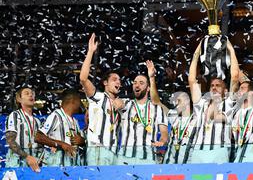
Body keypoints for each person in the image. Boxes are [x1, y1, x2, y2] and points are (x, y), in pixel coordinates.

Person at [188, 39, 240, 164]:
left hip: (220, 151)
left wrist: (231, 50)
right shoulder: (201, 104)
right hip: (198, 150)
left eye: (218, 85)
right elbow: (191, 80)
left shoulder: (228, 103)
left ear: (226, 90)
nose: (214, 87)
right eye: (212, 85)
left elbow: (235, 76)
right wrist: (197, 54)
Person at [79, 33, 122, 166]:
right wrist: (90, 52)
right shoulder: (98, 97)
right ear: (105, 83)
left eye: (120, 80)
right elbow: (83, 79)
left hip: (113, 151)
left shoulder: (120, 103)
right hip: (98, 148)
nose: (118, 82)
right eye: (114, 79)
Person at [116, 60, 169, 165]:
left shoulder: (157, 108)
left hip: (148, 158)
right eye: (135, 83)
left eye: (141, 83)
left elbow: (164, 133)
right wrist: (117, 102)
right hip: (125, 158)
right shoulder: (127, 104)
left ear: (148, 88)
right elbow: (118, 102)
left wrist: (162, 141)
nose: (137, 85)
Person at [35, 89, 85, 166]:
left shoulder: (75, 121)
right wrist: (61, 144)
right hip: (56, 166)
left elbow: (79, 142)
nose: (81, 104)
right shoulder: (56, 116)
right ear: (74, 101)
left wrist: (81, 141)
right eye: (80, 101)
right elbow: (38, 137)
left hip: (71, 167)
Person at [5, 87, 42, 172]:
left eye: (32, 93)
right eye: (27, 93)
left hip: (34, 166)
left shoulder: (37, 121)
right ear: (19, 99)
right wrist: (27, 157)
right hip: (17, 165)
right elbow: (10, 141)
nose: (31, 95)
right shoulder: (14, 116)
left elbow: (40, 145)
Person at [164, 91, 198, 164]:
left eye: (179, 101)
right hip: (168, 166)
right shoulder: (174, 116)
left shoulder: (197, 120)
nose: (176, 103)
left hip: (187, 167)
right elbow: (157, 102)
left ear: (187, 101)